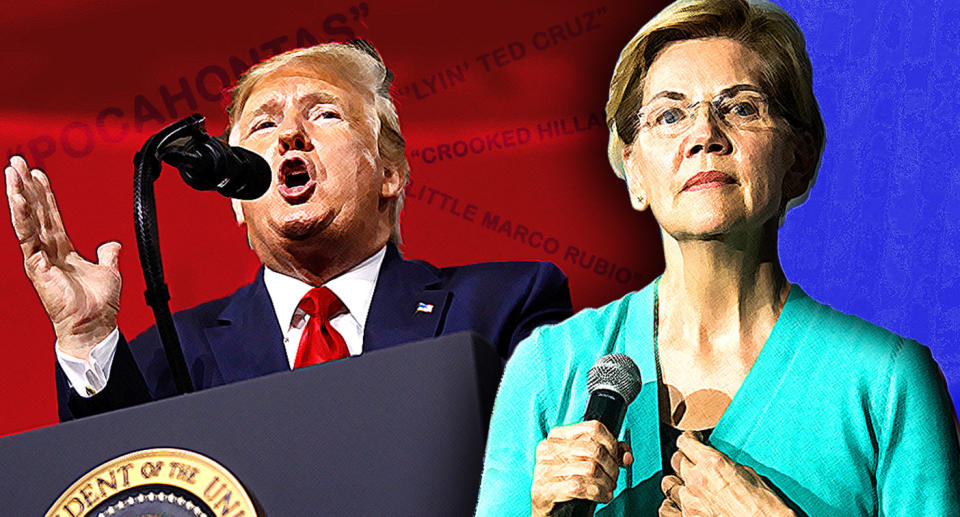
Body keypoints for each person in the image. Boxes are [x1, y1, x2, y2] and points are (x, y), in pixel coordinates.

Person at [475, 1, 960, 516]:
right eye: (669, 115)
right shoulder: (549, 368)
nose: (704, 135)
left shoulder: (887, 383)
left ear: (798, 158)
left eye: (742, 107)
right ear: (634, 172)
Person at [4, 41, 572, 421]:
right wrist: (85, 336)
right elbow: (118, 489)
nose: (290, 136)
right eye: (264, 123)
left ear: (391, 174)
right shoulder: (166, 357)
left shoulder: (504, 306)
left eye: (324, 113)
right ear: (233, 198)